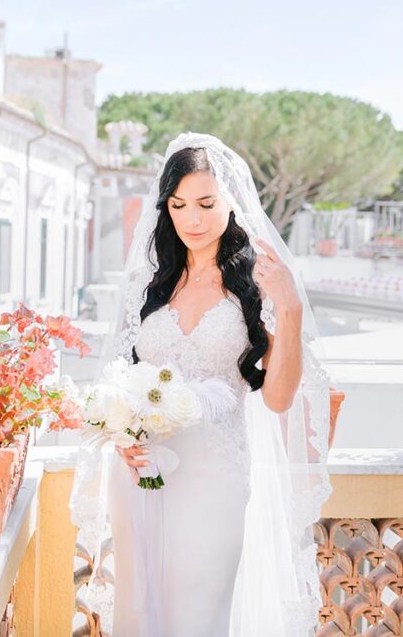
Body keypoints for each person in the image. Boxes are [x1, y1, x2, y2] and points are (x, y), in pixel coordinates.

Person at [70, 133, 333, 637]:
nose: (193, 218)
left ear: (231, 201)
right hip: (143, 479)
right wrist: (122, 436)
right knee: (141, 610)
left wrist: (292, 309)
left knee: (201, 615)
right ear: (165, 208)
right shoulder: (151, 286)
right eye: (179, 205)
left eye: (207, 204)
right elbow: (124, 378)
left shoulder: (259, 285)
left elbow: (277, 399)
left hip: (216, 479)